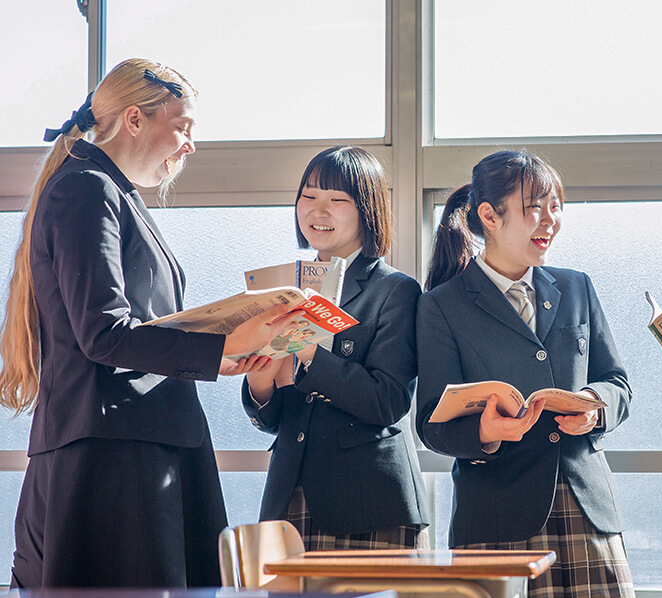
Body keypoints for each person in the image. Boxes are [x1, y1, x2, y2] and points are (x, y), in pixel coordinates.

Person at [0, 58, 303, 588]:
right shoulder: (87, 190)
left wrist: (223, 351)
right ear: (135, 120)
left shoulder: (103, 191)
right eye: (182, 127)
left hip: (130, 446)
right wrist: (223, 342)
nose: (190, 145)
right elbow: (104, 334)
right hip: (116, 458)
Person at [416, 150, 635, 597]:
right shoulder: (442, 304)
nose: (550, 220)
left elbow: (618, 383)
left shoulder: (576, 287)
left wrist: (596, 406)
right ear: (489, 216)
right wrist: (486, 431)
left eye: (556, 207)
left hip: (586, 507)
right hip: (496, 516)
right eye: (535, 207)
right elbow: (430, 424)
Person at [242, 145, 430, 550]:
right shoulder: (283, 289)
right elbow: (277, 420)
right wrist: (261, 386)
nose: (317, 211)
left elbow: (389, 402)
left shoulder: (394, 290)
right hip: (289, 498)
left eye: (336, 200)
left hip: (369, 501)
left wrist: (308, 352)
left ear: (367, 209)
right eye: (308, 197)